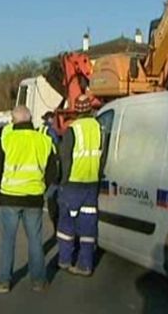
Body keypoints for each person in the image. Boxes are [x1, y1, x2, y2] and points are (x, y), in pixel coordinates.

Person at [0, 105, 57, 293]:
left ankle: (3, 280)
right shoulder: (44, 140)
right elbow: (53, 172)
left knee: (7, 240)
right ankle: (39, 280)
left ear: (13, 120)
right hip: (34, 197)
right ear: (31, 119)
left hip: (9, 197)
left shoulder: (6, 139)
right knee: (35, 240)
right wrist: (43, 189)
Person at [56, 94, 102, 277]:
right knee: (88, 226)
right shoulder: (99, 127)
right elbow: (102, 154)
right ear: (90, 109)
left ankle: (65, 260)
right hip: (91, 183)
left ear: (76, 110)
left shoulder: (72, 129)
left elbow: (65, 158)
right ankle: (85, 265)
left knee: (66, 224)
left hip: (73, 183)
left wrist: (62, 181)